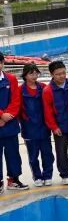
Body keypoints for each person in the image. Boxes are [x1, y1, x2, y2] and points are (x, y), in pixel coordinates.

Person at [19, 64, 53, 187]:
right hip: (29, 128)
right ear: (25, 75)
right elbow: (18, 109)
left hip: (44, 126)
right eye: (31, 73)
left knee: (47, 154)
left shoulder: (43, 87)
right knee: (33, 156)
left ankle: (47, 175)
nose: (34, 76)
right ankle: (37, 176)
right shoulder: (20, 90)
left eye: (36, 73)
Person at [0, 54, 24, 192]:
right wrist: (1, 115)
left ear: (2, 62)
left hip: (10, 123)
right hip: (4, 119)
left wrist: (6, 117)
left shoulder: (11, 79)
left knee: (13, 154)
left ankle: (13, 180)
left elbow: (16, 100)